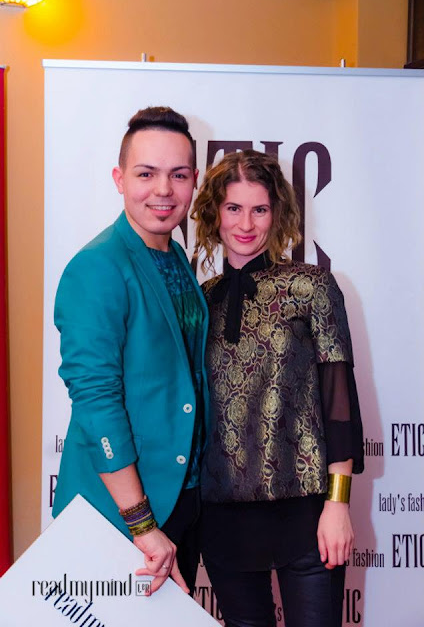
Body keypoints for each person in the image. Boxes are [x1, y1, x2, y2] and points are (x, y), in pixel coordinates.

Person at [191, 149, 364, 627]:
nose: (246, 224)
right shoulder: (202, 300)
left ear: (278, 213)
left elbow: (340, 402)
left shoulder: (312, 287)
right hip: (223, 519)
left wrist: (338, 502)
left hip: (306, 515)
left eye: (260, 209)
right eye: (233, 208)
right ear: (214, 213)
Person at [52, 106, 209, 596]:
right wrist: (141, 523)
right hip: (120, 513)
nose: (163, 190)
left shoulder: (174, 255)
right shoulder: (97, 266)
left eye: (178, 175)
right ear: (120, 179)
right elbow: (96, 399)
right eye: (146, 174)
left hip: (180, 500)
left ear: (194, 181)